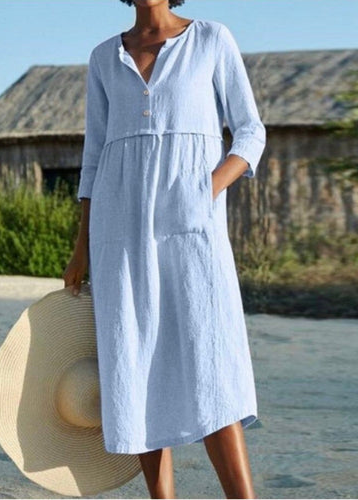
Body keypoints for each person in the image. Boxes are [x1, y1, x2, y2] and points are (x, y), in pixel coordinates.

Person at [63, 0, 266, 498]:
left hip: (193, 228)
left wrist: (206, 189)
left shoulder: (211, 39)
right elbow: (94, 156)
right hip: (118, 231)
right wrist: (81, 246)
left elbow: (250, 131)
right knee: (134, 361)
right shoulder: (104, 56)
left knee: (210, 363)